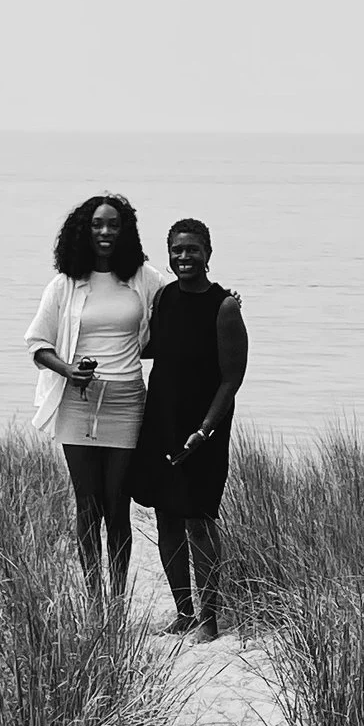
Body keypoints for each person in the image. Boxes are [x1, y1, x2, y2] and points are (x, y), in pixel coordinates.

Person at [25, 194, 163, 613]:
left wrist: (222, 303)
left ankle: (117, 598)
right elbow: (37, 344)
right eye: (98, 225)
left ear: (125, 232)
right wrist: (68, 371)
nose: (105, 232)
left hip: (126, 401)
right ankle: (94, 598)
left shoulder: (144, 278)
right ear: (85, 231)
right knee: (87, 504)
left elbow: (177, 312)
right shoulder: (64, 283)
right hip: (78, 402)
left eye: (114, 225)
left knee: (116, 503)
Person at [135, 217, 247, 640]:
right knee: (166, 518)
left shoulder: (225, 307)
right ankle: (183, 613)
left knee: (199, 520)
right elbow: (151, 347)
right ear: (169, 255)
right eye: (178, 250)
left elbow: (231, 379)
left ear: (208, 254)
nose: (185, 257)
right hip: (162, 420)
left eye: (193, 249)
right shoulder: (163, 299)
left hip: (205, 431)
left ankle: (209, 618)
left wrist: (204, 431)